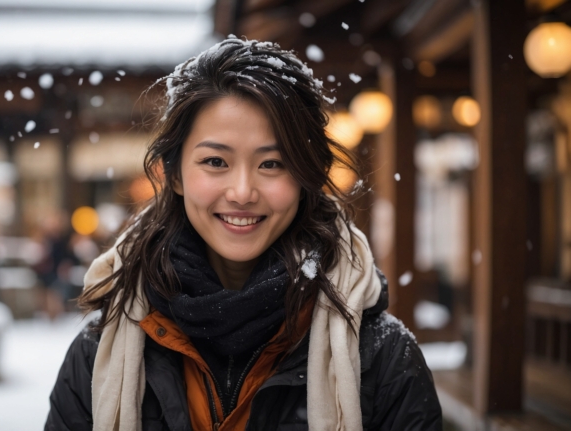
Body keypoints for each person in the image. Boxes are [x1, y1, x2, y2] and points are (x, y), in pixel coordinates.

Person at [45, 37, 441, 431]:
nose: (241, 192)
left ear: (306, 178)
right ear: (176, 174)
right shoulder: (102, 350)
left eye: (271, 164)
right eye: (215, 161)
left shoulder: (381, 358)